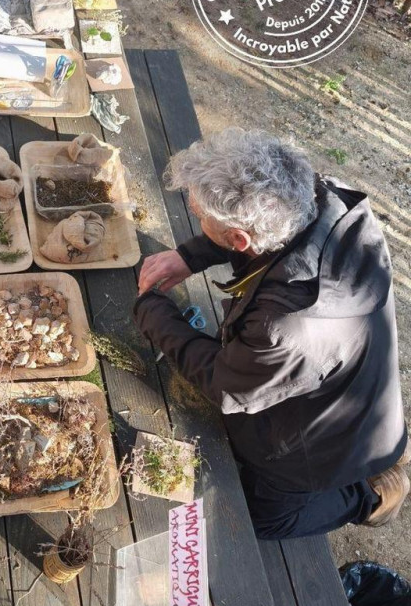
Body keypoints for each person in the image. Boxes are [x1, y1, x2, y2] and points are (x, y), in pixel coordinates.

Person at [134, 128, 408, 539]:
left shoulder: (287, 328)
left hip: (329, 442)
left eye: (199, 216)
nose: (195, 217)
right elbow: (251, 231)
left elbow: (226, 385)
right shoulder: (320, 196)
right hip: (336, 373)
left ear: (239, 238)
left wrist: (151, 310)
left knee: (261, 519)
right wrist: (190, 256)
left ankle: (373, 493)